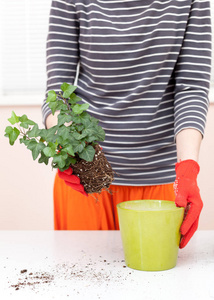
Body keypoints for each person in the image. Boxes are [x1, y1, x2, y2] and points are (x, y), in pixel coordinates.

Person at [42, 0, 212, 248]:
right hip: (86, 177)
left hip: (162, 179)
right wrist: (69, 148)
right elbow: (58, 91)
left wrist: (188, 168)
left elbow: (191, 88)